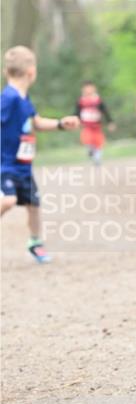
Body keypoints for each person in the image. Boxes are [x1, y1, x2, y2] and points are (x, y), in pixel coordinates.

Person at [1, 46, 79, 263]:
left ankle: (35, 242)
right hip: (5, 166)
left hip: (23, 167)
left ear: (7, 72)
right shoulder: (8, 99)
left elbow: (36, 122)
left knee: (33, 204)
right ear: (32, 72)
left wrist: (61, 124)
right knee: (8, 200)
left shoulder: (24, 99)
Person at [75, 81, 115, 165]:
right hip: (86, 126)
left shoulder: (98, 100)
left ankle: (97, 158)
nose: (89, 90)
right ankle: (91, 152)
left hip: (96, 126)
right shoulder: (81, 101)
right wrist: (76, 121)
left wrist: (110, 122)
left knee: (99, 142)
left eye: (90, 88)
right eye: (87, 88)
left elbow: (105, 112)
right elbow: (77, 112)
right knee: (87, 141)